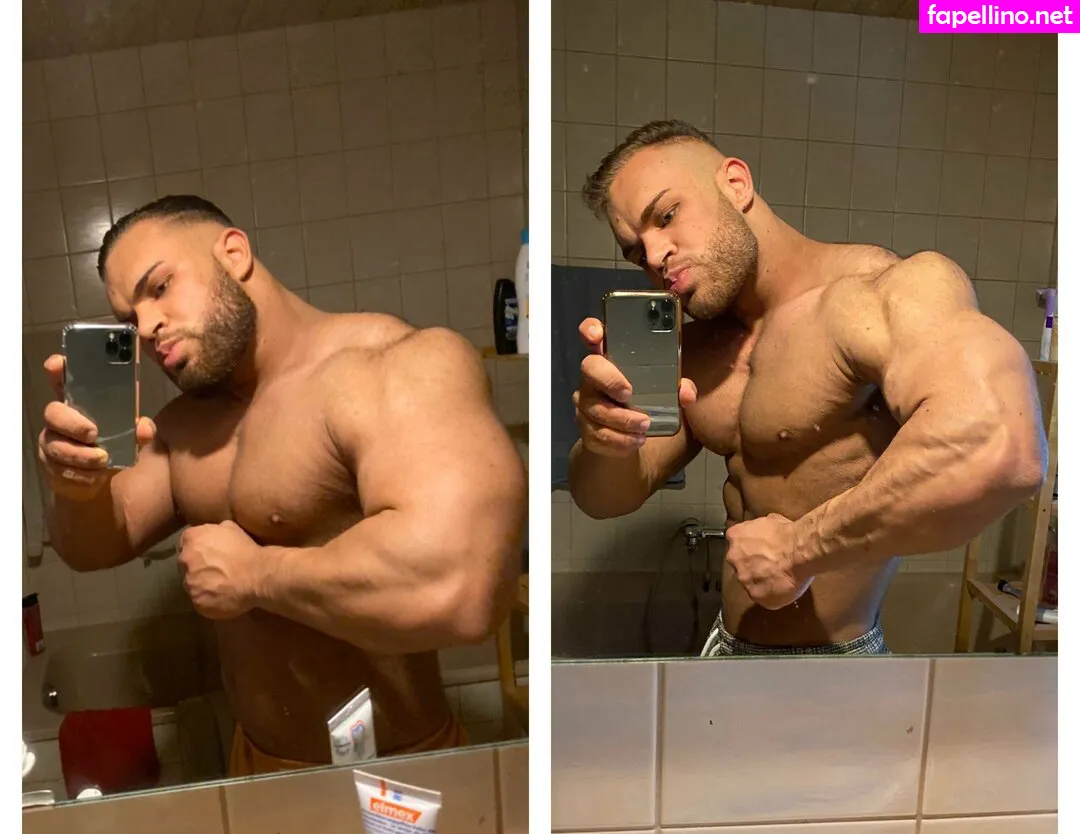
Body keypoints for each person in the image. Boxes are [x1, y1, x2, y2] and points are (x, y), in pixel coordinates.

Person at [39, 195, 526, 772]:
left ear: (234, 253)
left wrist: (256, 576)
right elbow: (92, 546)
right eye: (129, 319)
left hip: (396, 776)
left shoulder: (390, 366)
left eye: (161, 287)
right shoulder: (184, 428)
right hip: (256, 765)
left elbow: (463, 591)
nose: (146, 327)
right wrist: (77, 485)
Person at [570, 120, 1047, 656]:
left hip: (834, 663)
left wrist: (801, 550)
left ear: (735, 184)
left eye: (666, 215)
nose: (655, 255)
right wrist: (604, 439)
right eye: (636, 251)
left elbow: (1003, 446)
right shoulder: (698, 349)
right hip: (725, 647)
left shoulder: (874, 294)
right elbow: (604, 498)